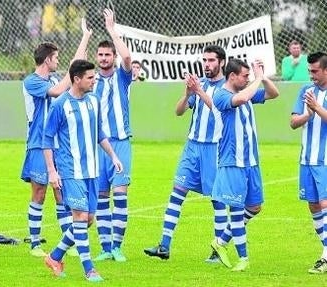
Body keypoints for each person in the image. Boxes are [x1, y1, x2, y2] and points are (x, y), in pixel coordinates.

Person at [143, 45, 228, 262]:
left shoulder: (226, 87)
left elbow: (218, 109)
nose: (207, 64)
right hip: (192, 147)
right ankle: (164, 245)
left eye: (211, 60)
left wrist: (198, 90)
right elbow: (179, 111)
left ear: (221, 62)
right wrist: (187, 93)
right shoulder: (199, 84)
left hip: (214, 148)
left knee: (216, 200)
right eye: (205, 60)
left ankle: (218, 250)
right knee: (177, 193)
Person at [42, 59, 122, 282]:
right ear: (77, 79)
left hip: (92, 171)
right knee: (80, 216)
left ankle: (55, 256)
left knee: (87, 221)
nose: (94, 80)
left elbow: (99, 134)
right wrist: (51, 171)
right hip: (70, 170)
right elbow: (46, 139)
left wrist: (113, 156)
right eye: (90, 77)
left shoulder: (94, 101)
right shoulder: (60, 105)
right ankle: (89, 269)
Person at [21, 18, 91, 257]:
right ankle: (34, 243)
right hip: (39, 144)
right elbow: (60, 89)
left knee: (61, 193)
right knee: (39, 192)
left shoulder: (53, 78)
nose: (58, 61)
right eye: (56, 58)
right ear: (48, 59)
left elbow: (73, 69)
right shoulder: (31, 81)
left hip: (58, 146)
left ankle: (65, 242)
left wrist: (85, 38)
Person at [209, 58, 279, 271]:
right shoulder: (221, 94)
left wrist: (262, 77)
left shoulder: (247, 92)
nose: (248, 79)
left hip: (251, 162)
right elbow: (240, 98)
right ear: (232, 76)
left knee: (255, 207)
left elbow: (273, 93)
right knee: (237, 211)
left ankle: (220, 242)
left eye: (249, 76)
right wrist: (256, 79)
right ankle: (243, 259)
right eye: (244, 76)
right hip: (233, 162)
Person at [93, 8, 133, 262]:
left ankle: (117, 246)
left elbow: (128, 56)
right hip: (98, 145)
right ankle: (105, 248)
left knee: (120, 194)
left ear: (114, 57)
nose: (104, 58)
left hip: (120, 142)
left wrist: (111, 30)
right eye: (101, 54)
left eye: (108, 54)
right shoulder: (89, 79)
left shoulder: (122, 77)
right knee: (101, 198)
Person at [290, 51, 327, 274]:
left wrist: (317, 108)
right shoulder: (305, 91)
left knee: (325, 204)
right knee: (313, 205)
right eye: (309, 71)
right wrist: (307, 116)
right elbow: (293, 122)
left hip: (325, 160)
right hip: (306, 159)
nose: (311, 75)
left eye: (315, 71)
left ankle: (325, 256)